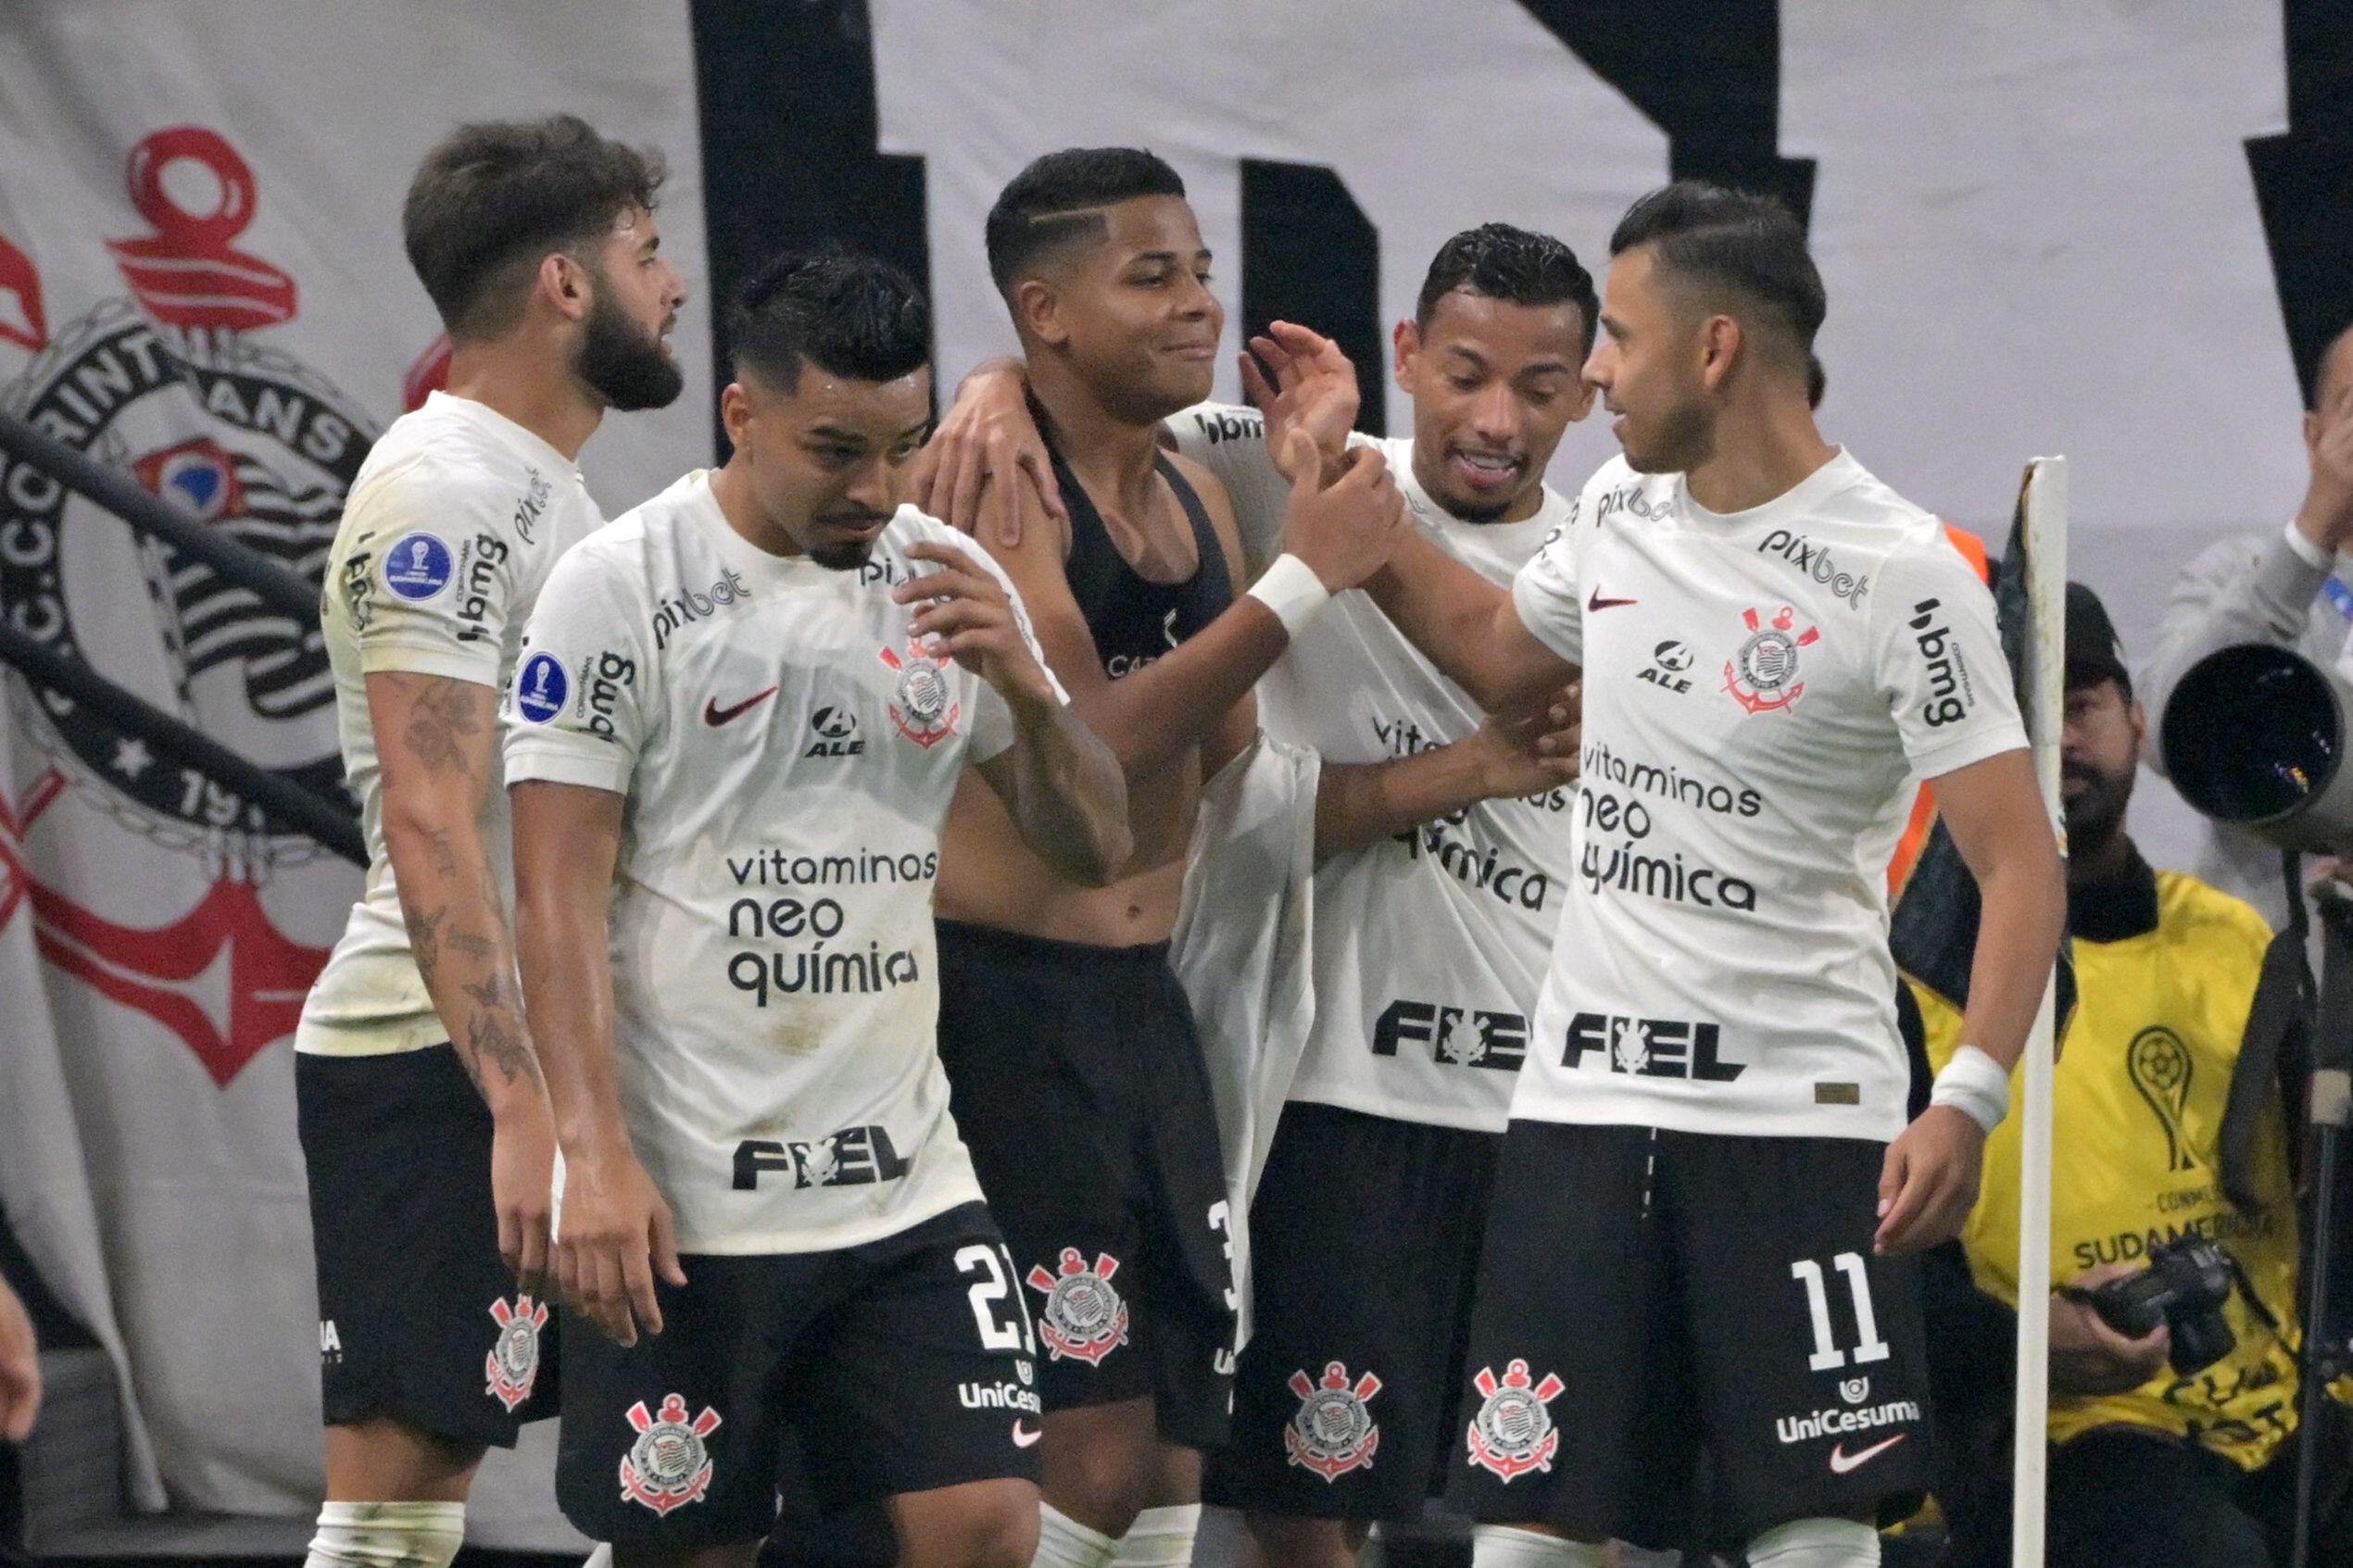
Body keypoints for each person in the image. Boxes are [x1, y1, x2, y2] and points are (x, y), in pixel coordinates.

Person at [1357, 181, 2066, 1568]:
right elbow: (1505, 655)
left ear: (1719, 349)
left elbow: (2019, 863)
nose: (1598, 376)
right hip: (1581, 1109)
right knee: (1527, 1533)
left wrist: (1968, 1103)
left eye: (1617, 337)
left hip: (1801, 1122)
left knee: (1809, 1536)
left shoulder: (1906, 572)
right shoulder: (1621, 504)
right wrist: (1361, 532)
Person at [930, 220, 1597, 1568]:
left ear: (1590, 394)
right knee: (1295, 1507)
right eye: (1465, 371)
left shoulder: (1615, 562)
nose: (1495, 418)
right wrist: (990, 388)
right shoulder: (1265, 465)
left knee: (1559, 1503)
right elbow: (1084, 396)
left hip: (1546, 1101)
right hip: (1330, 1094)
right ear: (1403, 354)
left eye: (1540, 387)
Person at [506, 250, 1129, 1568]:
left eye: (901, 447)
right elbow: (552, 895)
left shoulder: (944, 577)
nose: (877, 490)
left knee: (988, 1525)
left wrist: (1029, 686)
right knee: (693, 1549)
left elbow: (1095, 847)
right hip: (688, 1198)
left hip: (904, 1188)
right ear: (743, 415)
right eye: (835, 449)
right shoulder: (621, 587)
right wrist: (590, 1154)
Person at [296, 114, 686, 1568]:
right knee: (397, 1508)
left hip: (571, 1056)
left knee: (694, 1473)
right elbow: (427, 813)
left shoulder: (550, 488)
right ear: (566, 287)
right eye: (648, 255)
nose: (676, 289)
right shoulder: (444, 486)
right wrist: (526, 1108)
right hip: (438, 1064)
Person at [1915, 581, 2353, 1568]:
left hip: (2287, 1407)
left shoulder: (2237, 939)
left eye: (2081, 707)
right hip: (2072, 1432)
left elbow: (2329, 1198)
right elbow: (1870, 1273)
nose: (2059, 742)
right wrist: (2027, 1344)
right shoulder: (1920, 979)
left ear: (2134, 719)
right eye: (2025, 717)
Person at [2143, 320, 2353, 927]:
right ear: (2315, 438)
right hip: (2258, 985)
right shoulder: (2237, 572)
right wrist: (2312, 535)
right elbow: (2168, 731)